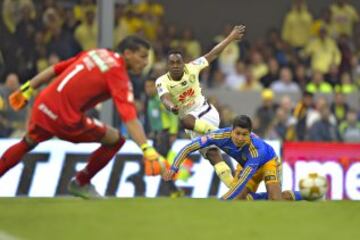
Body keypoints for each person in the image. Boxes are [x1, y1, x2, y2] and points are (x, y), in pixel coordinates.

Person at [0, 36, 163, 199]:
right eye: (142, 56)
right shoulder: (117, 74)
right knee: (115, 140)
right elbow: (129, 117)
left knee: (28, 142)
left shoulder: (96, 53)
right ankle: (81, 182)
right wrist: (146, 149)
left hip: (43, 105)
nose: (146, 62)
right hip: (65, 118)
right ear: (127, 53)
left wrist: (27, 88)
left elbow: (56, 69)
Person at [155, 25, 246, 188]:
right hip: (194, 125)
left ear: (183, 63)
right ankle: (235, 188)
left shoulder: (192, 67)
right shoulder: (161, 81)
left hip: (206, 113)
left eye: (178, 62)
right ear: (167, 65)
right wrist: (171, 107)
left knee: (185, 120)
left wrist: (231, 37)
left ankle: (222, 135)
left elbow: (214, 53)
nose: (175, 65)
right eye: (172, 63)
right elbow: (165, 98)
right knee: (212, 155)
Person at [163, 115, 303, 201]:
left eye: (244, 134)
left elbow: (243, 180)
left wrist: (224, 200)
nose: (240, 138)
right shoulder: (219, 136)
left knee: (275, 200)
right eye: (237, 133)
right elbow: (190, 147)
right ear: (231, 131)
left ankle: (302, 194)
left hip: (268, 163)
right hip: (245, 164)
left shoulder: (256, 150)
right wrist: (174, 167)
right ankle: (263, 197)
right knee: (240, 200)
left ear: (250, 134)